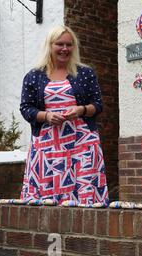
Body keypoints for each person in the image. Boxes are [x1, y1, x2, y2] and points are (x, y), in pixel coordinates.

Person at [19, 25, 109, 205]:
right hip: (47, 146)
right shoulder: (34, 75)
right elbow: (26, 108)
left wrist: (81, 110)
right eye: (59, 44)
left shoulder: (85, 73)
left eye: (69, 44)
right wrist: (46, 116)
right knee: (46, 198)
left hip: (82, 144)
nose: (64, 49)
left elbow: (98, 105)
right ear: (50, 46)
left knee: (85, 192)